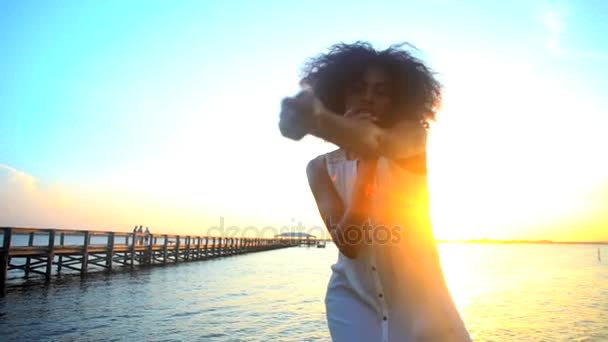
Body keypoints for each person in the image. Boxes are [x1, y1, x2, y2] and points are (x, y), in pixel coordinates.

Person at [279, 41, 471, 341]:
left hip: (422, 303)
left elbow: (377, 142)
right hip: (352, 302)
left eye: (381, 92)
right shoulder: (318, 168)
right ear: (340, 93)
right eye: (357, 88)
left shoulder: (412, 140)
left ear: (396, 101)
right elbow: (350, 243)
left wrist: (315, 121)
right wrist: (363, 162)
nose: (368, 97)